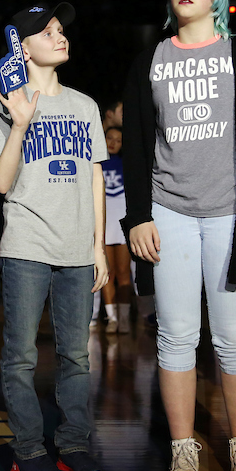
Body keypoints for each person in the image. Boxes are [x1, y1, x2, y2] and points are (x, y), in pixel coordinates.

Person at [122, 0, 236, 471]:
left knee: (235, 339)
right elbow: (137, 147)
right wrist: (138, 214)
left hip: (232, 213)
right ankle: (183, 454)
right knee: (176, 338)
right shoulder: (149, 61)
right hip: (170, 212)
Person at [0, 2, 110, 471]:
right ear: (22, 48)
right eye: (47, 31)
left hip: (78, 250)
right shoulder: (8, 104)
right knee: (21, 357)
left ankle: (74, 447)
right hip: (26, 245)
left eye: (61, 29)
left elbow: (96, 176)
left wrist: (100, 246)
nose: (60, 37)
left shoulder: (85, 106)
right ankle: (29, 454)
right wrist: (18, 123)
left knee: (76, 356)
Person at [99, 126, 133, 333]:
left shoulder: (128, 164)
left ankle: (125, 318)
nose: (112, 143)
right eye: (109, 138)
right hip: (103, 224)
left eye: (118, 140)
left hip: (121, 224)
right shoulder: (95, 164)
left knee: (123, 273)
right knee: (107, 274)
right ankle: (111, 319)